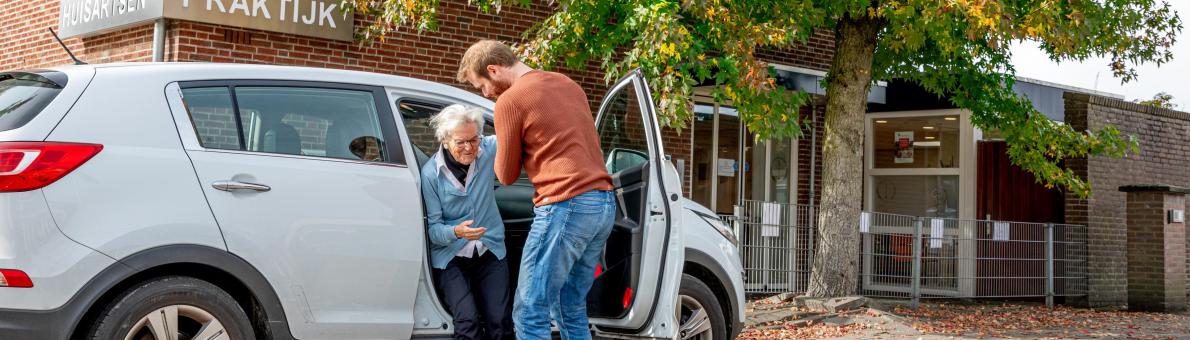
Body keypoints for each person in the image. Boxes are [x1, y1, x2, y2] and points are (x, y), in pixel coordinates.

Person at [457, 40, 616, 340]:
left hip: (565, 204)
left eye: (481, 86)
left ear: (494, 69)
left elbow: (505, 175)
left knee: (530, 309)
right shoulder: (567, 84)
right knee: (569, 305)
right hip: (603, 203)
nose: (486, 93)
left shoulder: (509, 101)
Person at [420, 104, 512, 340]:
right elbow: (433, 231)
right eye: (461, 142)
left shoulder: (487, 150)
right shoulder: (431, 174)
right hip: (451, 256)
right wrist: (456, 232)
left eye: (474, 139)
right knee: (467, 321)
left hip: (489, 250)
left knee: (499, 321)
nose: (469, 147)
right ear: (445, 140)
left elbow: (514, 128)